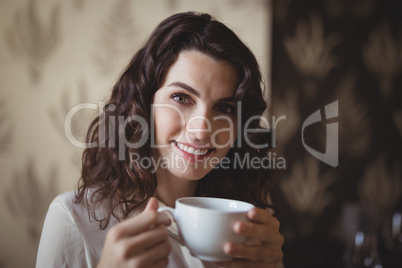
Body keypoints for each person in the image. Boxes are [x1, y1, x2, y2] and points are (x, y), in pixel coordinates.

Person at [36, 12, 284, 268]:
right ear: (144, 103)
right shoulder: (73, 219)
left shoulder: (247, 227)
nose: (201, 130)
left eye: (224, 108)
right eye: (181, 98)